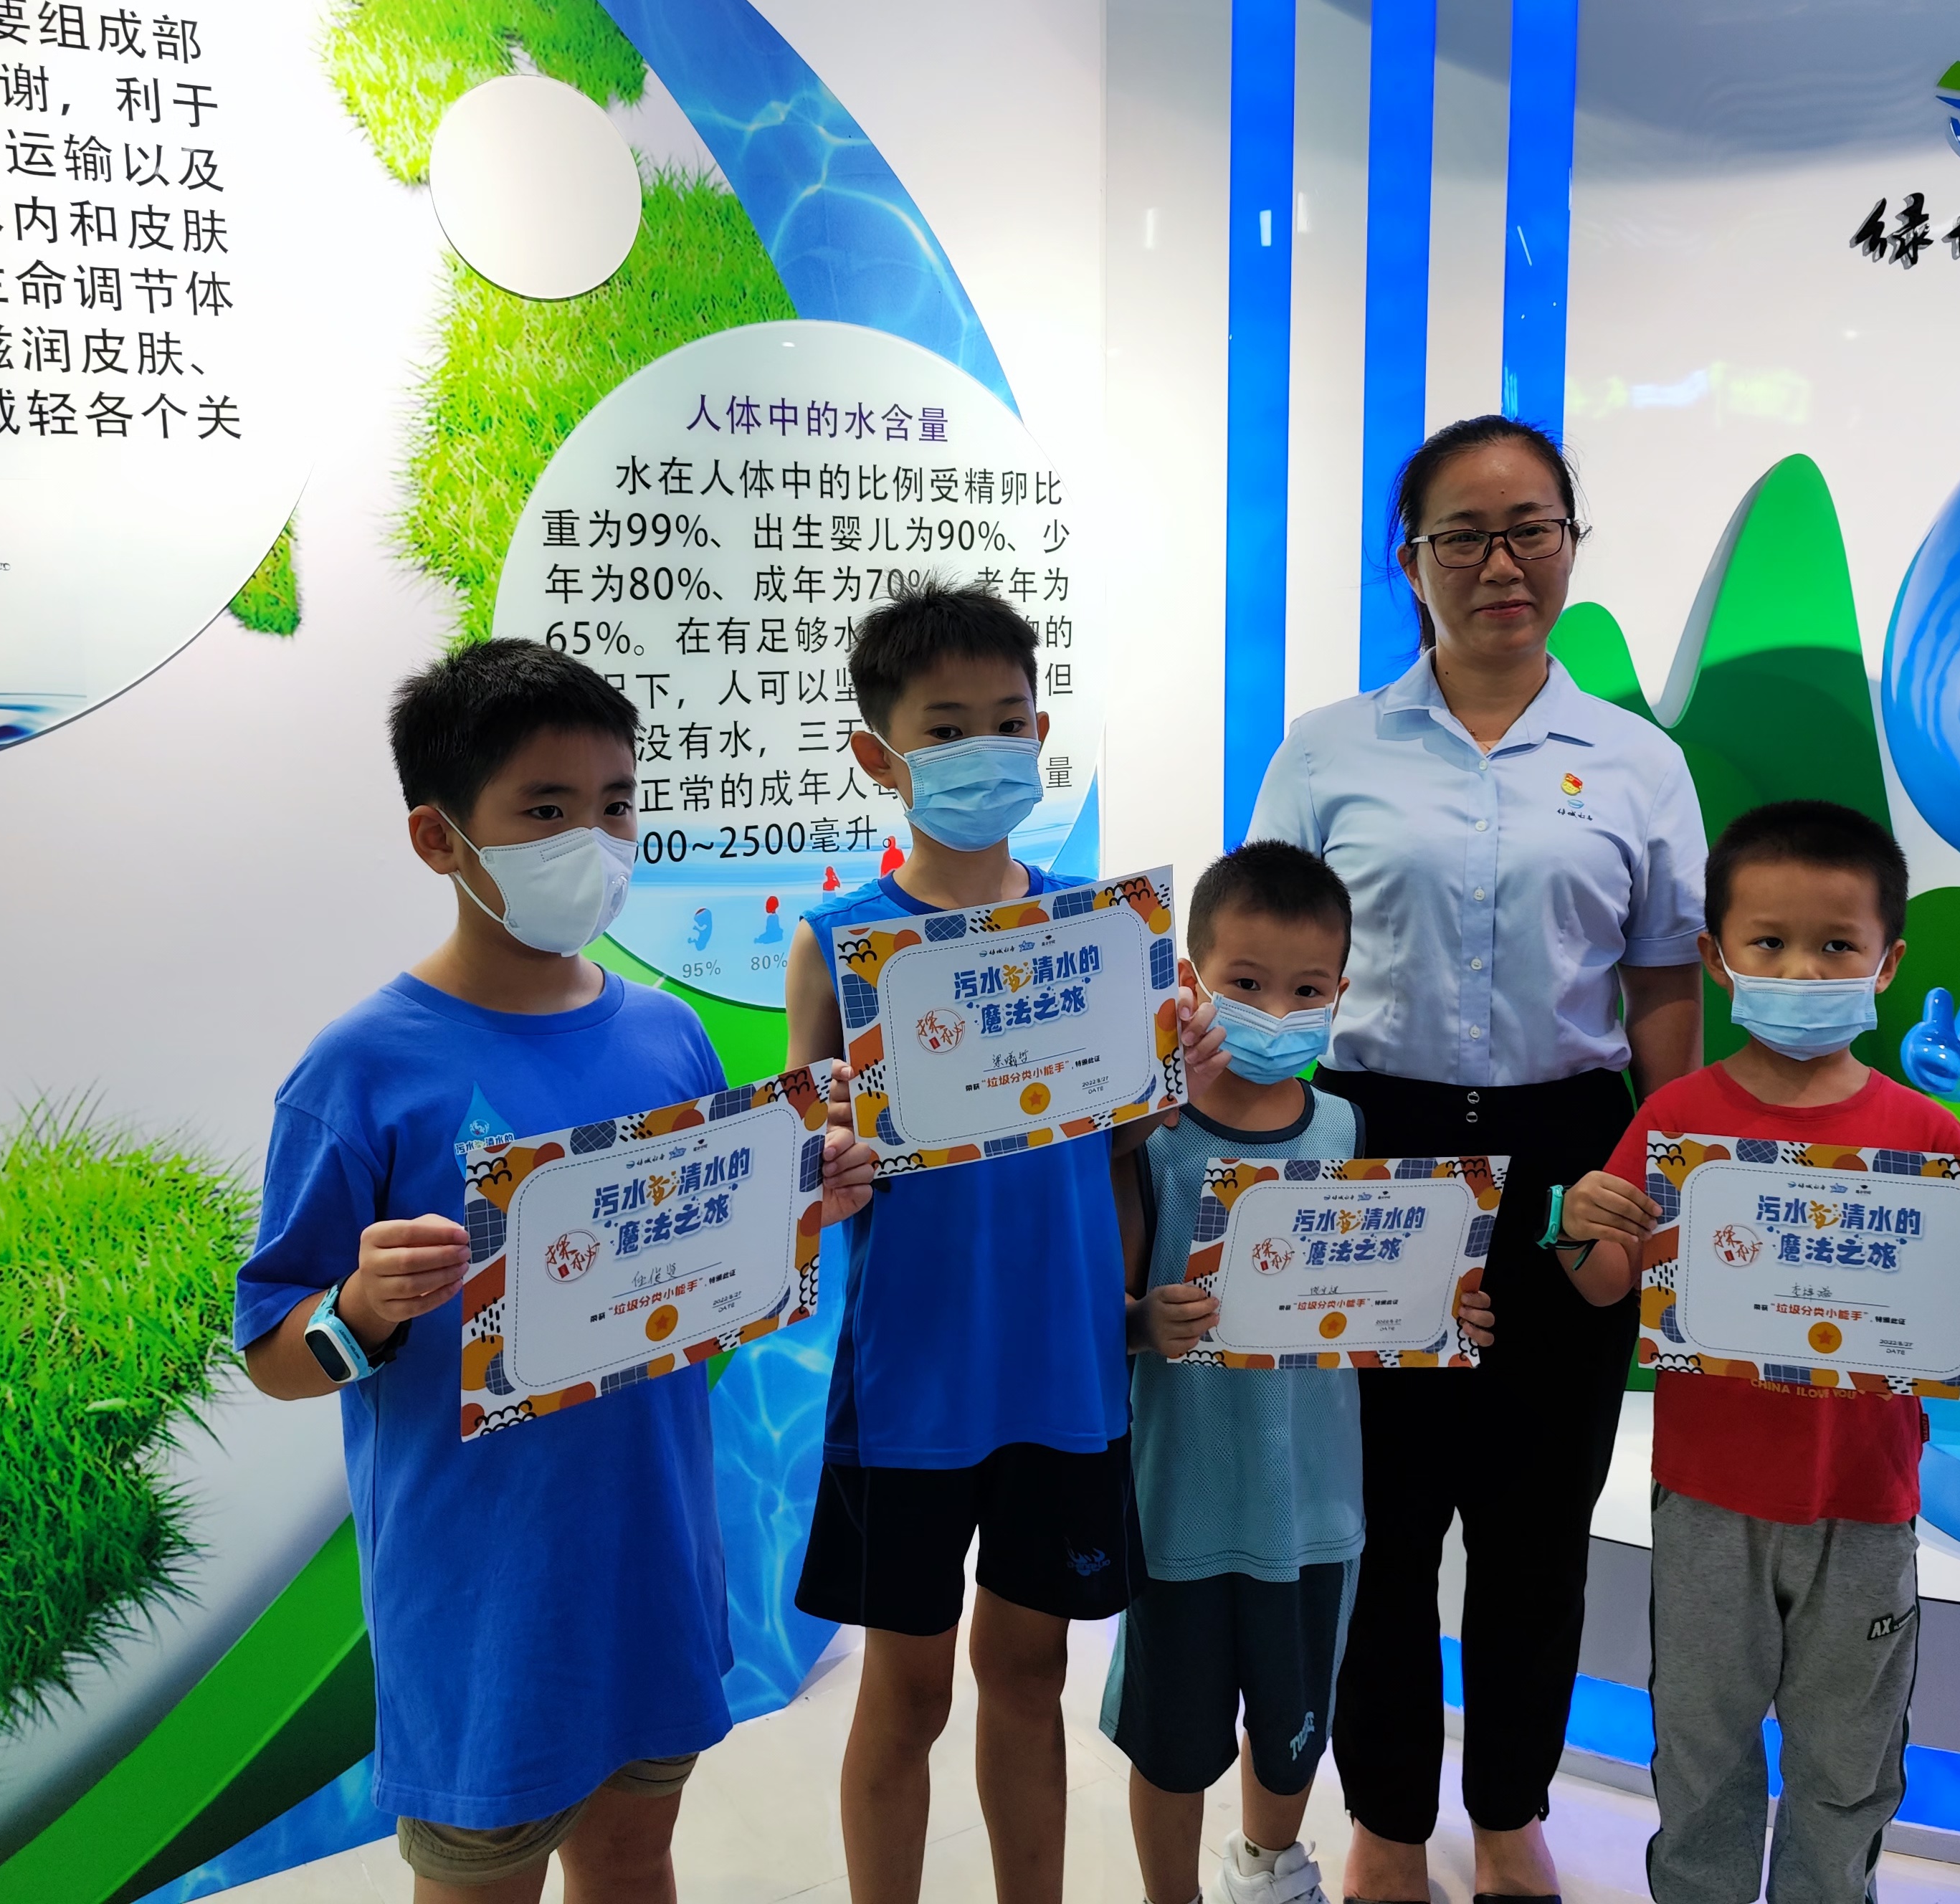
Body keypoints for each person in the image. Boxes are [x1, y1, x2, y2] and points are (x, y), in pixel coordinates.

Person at [237, 640, 879, 1904]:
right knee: (484, 1879)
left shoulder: (669, 1033)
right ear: (438, 838)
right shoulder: (359, 1072)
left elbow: (710, 1280)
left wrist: (804, 1201)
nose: (592, 839)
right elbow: (273, 1355)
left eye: (614, 804)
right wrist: (361, 1311)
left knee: (635, 1859)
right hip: (483, 1600)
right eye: (544, 810)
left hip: (652, 1554)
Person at [1248, 415, 1706, 1904]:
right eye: (1464, 534)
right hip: (1370, 1149)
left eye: (1532, 529)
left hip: (1570, 1156)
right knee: (1376, 1518)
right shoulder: (1328, 750)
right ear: (1411, 560)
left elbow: (1660, 985)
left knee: (1536, 1520)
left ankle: (1508, 1810)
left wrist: (1673, 1182)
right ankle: (1386, 1818)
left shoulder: (1635, 762)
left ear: (1571, 544)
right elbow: (1265, 958)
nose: (1502, 563)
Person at [1559, 800, 1960, 1904]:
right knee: (1701, 1752)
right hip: (1708, 1501)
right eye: (1769, 943)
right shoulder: (1677, 1119)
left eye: (1835, 946)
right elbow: (1607, 1283)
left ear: (1887, 962)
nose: (1801, 971)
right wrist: (1578, 1225)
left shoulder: (1928, 1137)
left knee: (1847, 1765)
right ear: (1718, 959)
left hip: (1866, 1508)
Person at [786, 579, 1222, 1904]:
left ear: (1040, 733)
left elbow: (1126, 1146)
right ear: (879, 755)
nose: (986, 749)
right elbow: (810, 1165)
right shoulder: (839, 945)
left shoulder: (1102, 932)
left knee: (1028, 1676)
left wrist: (1183, 1073)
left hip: (1064, 1370)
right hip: (913, 1379)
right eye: (946, 728)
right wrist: (828, 1159)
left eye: (1009, 721)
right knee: (907, 1689)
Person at [1100, 841, 1500, 1904]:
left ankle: (1268, 1870)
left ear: (1341, 993)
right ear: (1192, 980)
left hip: (1315, 1507)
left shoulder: (1348, 1129)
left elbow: (1383, 1286)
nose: (1277, 1011)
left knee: (1292, 1730)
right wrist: (1142, 1324)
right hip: (1180, 1505)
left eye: (1307, 990)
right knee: (1173, 1743)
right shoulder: (1152, 1137)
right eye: (1246, 985)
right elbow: (1105, 1306)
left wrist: (1444, 1307)